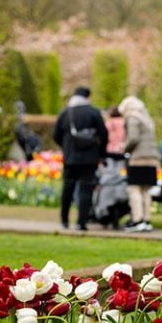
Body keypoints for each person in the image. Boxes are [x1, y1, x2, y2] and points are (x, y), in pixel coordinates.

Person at [53, 86, 108, 231]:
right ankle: (81, 222)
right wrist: (100, 154)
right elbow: (103, 135)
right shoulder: (94, 113)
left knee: (68, 187)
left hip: (70, 158)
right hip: (89, 159)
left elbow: (56, 135)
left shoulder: (65, 113)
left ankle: (64, 220)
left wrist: (66, 146)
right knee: (86, 189)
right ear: (87, 97)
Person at [119, 95, 159, 233]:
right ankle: (146, 220)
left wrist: (124, 148)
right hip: (151, 158)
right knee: (145, 190)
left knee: (134, 189)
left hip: (138, 158)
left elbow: (133, 138)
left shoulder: (133, 117)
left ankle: (137, 220)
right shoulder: (147, 118)